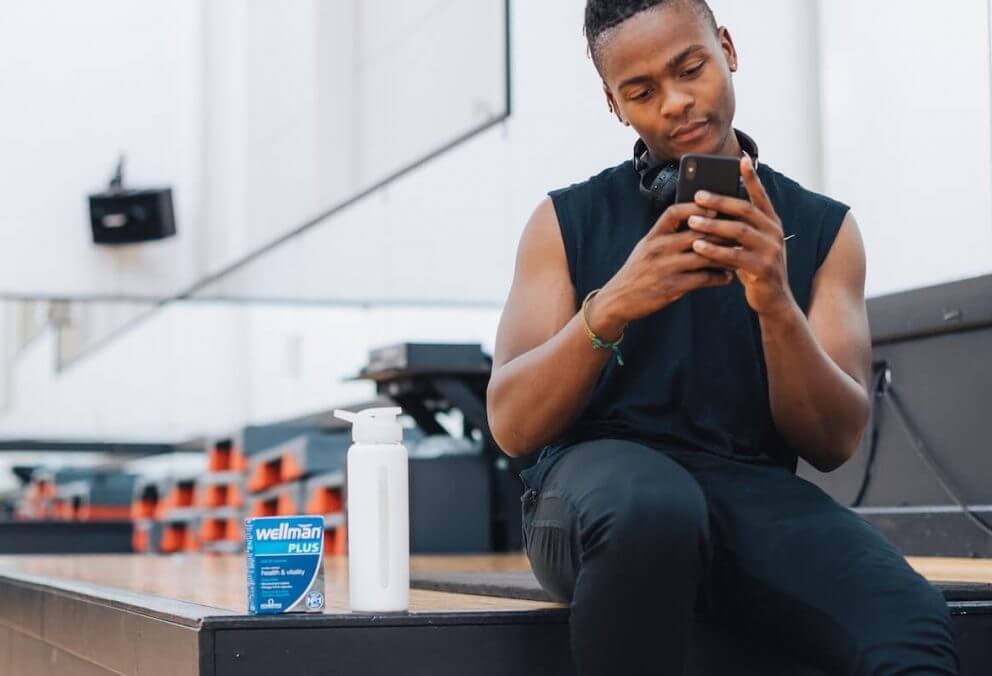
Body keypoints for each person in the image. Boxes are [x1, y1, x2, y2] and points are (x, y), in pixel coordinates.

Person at [485, 1, 960, 674]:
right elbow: (512, 425)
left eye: (690, 69)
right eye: (641, 92)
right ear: (614, 104)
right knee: (655, 507)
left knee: (909, 622)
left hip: (746, 492)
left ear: (728, 51)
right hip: (592, 496)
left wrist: (775, 303)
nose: (676, 102)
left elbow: (832, 441)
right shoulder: (564, 221)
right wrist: (613, 305)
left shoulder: (825, 231)